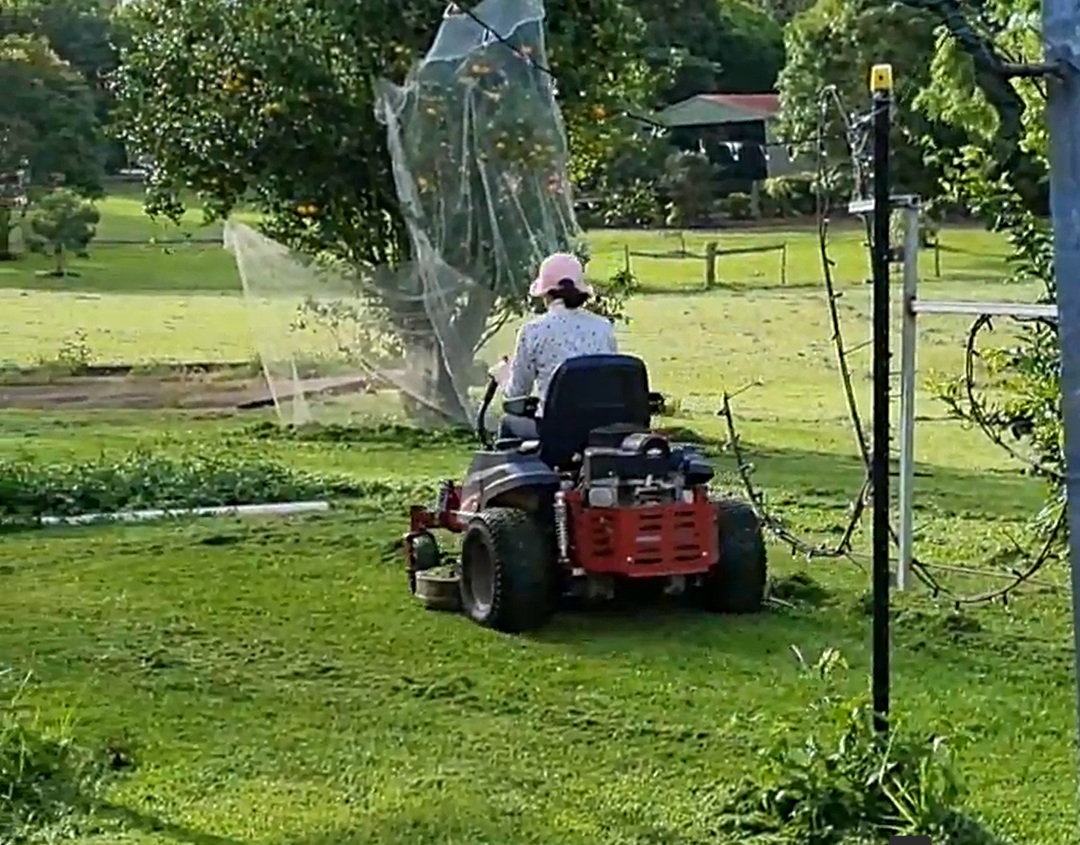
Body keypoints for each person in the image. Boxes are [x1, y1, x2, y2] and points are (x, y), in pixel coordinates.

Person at [494, 252, 618, 440]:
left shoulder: (533, 331)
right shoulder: (603, 327)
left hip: (554, 431)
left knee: (508, 422)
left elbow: (517, 395)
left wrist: (502, 376)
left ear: (545, 293)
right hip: (600, 429)